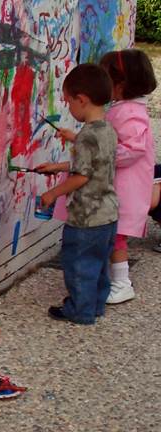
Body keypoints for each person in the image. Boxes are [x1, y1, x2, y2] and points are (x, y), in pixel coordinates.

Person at [36, 63, 119, 324]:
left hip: (86, 219)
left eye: (69, 102)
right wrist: (60, 162)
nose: (69, 107)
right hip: (108, 215)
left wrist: (53, 193)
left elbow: (82, 176)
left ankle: (79, 311)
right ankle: (95, 305)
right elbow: (95, 164)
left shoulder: (86, 138)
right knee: (99, 265)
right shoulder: (107, 130)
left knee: (78, 265)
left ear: (81, 100)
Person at [98, 49, 158, 303]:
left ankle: (122, 283)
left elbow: (133, 149)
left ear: (120, 84)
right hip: (122, 185)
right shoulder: (124, 108)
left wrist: (102, 155)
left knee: (116, 236)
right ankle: (116, 280)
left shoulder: (129, 112)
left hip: (125, 187)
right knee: (114, 235)